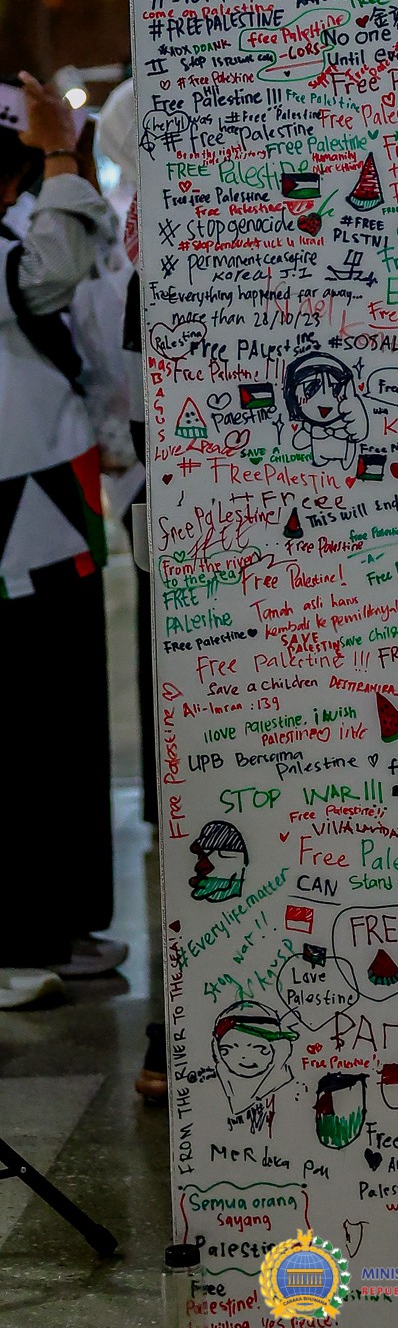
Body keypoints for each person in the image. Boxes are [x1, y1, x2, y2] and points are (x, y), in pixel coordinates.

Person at [0, 73, 127, 1008]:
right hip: (13, 521)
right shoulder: (21, 238)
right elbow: (51, 267)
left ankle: (57, 919)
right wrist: (56, 152)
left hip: (56, 504)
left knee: (63, 722)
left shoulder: (17, 226)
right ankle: (14, 938)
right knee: (23, 730)